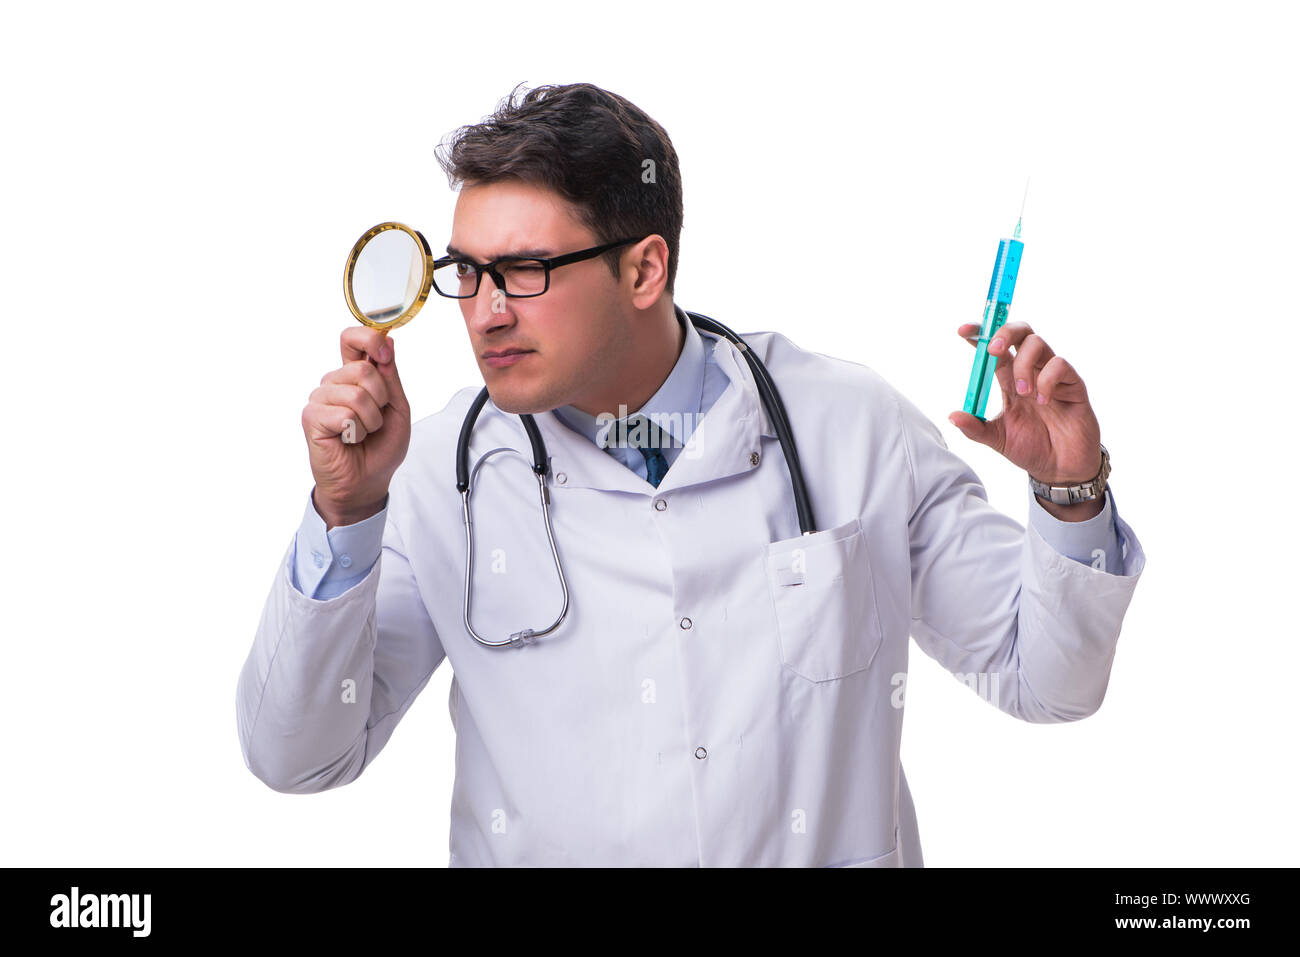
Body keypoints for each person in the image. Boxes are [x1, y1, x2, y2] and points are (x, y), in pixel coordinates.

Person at [235, 81, 1146, 867]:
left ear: (645, 269)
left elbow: (1049, 681)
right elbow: (298, 756)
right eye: (467, 273)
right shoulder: (440, 472)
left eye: (523, 271)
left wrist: (1069, 491)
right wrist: (345, 513)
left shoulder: (851, 427)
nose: (483, 314)